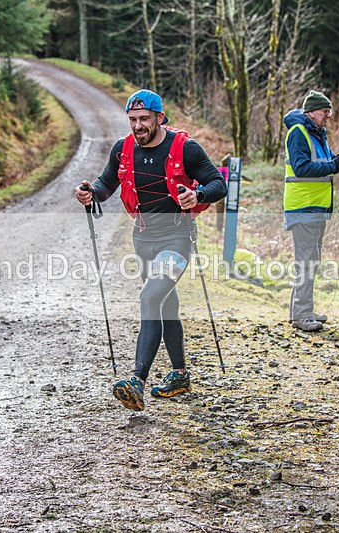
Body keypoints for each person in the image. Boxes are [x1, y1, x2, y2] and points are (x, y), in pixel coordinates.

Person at [75, 89, 227, 411]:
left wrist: (197, 197)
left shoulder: (184, 148)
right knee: (165, 302)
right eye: (132, 120)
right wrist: (90, 192)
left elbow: (218, 183)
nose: (138, 126)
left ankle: (137, 382)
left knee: (149, 297)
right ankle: (180, 375)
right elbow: (106, 184)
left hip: (176, 239)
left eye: (144, 119)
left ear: (160, 117)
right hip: (142, 240)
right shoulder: (123, 149)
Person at [283, 90, 339, 332]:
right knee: (306, 262)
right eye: (325, 111)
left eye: (329, 111)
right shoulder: (299, 133)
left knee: (310, 261)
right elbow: (302, 167)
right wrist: (335, 165)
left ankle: (301, 310)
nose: (328, 116)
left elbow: (321, 163)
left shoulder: (317, 133)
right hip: (303, 206)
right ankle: (302, 315)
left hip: (315, 207)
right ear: (311, 112)